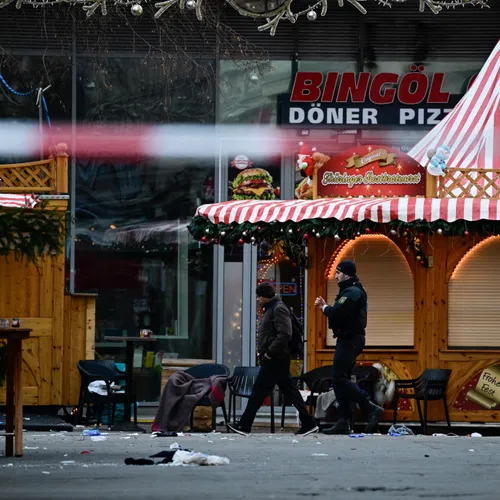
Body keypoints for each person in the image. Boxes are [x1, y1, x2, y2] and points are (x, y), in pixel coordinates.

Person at [228, 282, 318, 437]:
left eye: (259, 296)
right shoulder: (272, 308)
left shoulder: (278, 308)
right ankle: (308, 422)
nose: (257, 299)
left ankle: (244, 425)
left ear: (265, 296)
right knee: (288, 390)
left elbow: (285, 333)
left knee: (259, 390)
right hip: (277, 357)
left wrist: (269, 353)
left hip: (276, 358)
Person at [314, 260, 383, 435]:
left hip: (350, 340)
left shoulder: (352, 291)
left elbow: (338, 312)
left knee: (339, 379)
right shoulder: (349, 290)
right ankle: (343, 421)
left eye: (338, 273)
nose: (336, 276)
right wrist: (328, 307)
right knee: (340, 379)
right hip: (348, 339)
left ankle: (369, 406)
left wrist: (324, 307)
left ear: (347, 274)